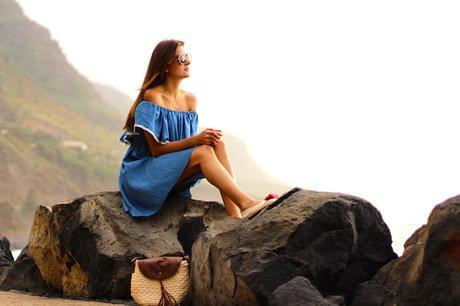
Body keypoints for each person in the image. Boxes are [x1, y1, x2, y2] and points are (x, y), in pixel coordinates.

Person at [118, 39, 278, 219]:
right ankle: (247, 203)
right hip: (144, 176)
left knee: (218, 144)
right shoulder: (152, 97)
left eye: (187, 56)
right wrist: (197, 140)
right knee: (203, 152)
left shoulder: (190, 100)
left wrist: (205, 138)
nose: (187, 61)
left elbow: (186, 147)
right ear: (165, 65)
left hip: (170, 172)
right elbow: (156, 150)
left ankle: (237, 216)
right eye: (181, 58)